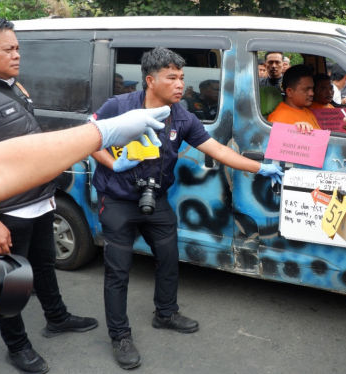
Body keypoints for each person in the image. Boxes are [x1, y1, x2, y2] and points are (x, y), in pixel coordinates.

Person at [90, 47, 283, 370]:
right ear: (150, 81)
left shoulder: (182, 116)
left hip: (157, 199)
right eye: (172, 78)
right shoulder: (119, 106)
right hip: (118, 200)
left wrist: (258, 168)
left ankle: (165, 313)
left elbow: (218, 149)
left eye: (181, 77)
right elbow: (90, 137)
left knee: (168, 260)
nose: (180, 84)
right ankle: (120, 336)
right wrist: (114, 164)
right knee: (118, 271)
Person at [0, 16, 101, 374]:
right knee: (10, 281)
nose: (17, 55)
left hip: (37, 202)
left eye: (18, 47)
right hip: (6, 212)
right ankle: (18, 346)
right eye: (8, 49)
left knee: (44, 268)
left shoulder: (9, 85)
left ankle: (57, 317)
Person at [267, 65, 320, 131]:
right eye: (306, 89)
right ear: (289, 92)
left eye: (312, 88)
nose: (312, 93)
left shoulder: (306, 110)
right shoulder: (279, 119)